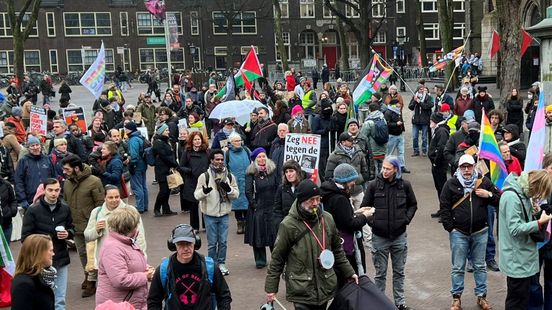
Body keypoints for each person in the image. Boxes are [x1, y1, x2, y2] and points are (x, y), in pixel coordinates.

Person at [265, 179, 359, 309]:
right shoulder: (288, 225)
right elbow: (277, 258)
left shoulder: (327, 219)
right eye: (311, 200)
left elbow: (337, 250)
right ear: (301, 200)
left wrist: (350, 273)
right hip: (301, 288)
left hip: (324, 284)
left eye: (317, 199)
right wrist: (271, 288)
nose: (315, 203)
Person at [439, 154, 500, 310]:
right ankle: (456, 298)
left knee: (480, 266)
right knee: (458, 267)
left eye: (469, 166)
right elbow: (444, 207)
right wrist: (450, 228)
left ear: (474, 167)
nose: (466, 170)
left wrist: (489, 194)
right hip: (459, 232)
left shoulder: (484, 182)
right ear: (459, 168)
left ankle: (482, 297)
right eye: (463, 167)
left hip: (480, 231)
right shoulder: (451, 184)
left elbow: (500, 199)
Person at [361, 156, 417, 310]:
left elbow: (413, 204)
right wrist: (374, 223)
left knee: (399, 272)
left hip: (399, 237)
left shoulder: (405, 185)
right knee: (380, 274)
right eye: (383, 168)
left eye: (388, 168)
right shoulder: (373, 186)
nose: (384, 171)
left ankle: (400, 303)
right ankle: (379, 304)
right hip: (379, 237)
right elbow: (364, 208)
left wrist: (405, 220)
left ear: (396, 170)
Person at [500, 170, 552, 309]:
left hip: (522, 258)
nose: (538, 196)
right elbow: (515, 229)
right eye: (540, 192)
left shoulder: (521, 193)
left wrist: (534, 212)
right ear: (535, 185)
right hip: (517, 259)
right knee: (516, 302)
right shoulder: (512, 196)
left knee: (522, 300)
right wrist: (539, 223)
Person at [147, 224, 232, 309]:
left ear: (196, 243)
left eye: (189, 243)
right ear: (173, 246)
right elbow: (154, 301)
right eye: (180, 244)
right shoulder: (164, 270)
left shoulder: (209, 267)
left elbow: (224, 295)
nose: (186, 248)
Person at [21, 178, 75, 310]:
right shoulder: (33, 210)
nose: (53, 193)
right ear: (44, 190)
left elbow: (72, 228)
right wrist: (41, 244)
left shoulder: (65, 208)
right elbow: (25, 238)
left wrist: (68, 233)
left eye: (56, 190)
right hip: (40, 262)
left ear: (60, 190)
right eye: (50, 190)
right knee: (43, 299)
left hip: (61, 258)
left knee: (60, 299)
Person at [321, 163, 374, 281]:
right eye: (352, 180)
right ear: (344, 181)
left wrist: (357, 212)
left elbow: (341, 217)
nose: (354, 183)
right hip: (346, 247)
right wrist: (365, 216)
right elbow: (349, 224)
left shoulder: (328, 193)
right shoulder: (340, 199)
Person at [61, 155, 105, 298]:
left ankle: (92, 282)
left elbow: (100, 205)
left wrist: (98, 225)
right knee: (82, 254)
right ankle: (88, 275)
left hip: (90, 226)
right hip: (76, 226)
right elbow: (66, 204)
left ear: (76, 168)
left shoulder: (94, 182)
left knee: (92, 254)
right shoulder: (67, 183)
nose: (64, 172)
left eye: (67, 169)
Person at [96, 207, 152, 309]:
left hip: (131, 303)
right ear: (130, 227)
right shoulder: (112, 248)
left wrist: (146, 268)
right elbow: (120, 280)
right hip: (117, 305)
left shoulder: (127, 242)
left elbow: (131, 262)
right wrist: (145, 276)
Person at [194, 149, 239, 276]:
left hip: (224, 214)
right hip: (209, 215)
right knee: (212, 243)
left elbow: (236, 194)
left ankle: (221, 264)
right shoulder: (205, 176)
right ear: (211, 160)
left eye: (221, 159)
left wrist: (229, 190)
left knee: (223, 242)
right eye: (217, 159)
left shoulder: (229, 176)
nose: (219, 162)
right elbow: (196, 195)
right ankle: (211, 265)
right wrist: (204, 192)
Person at [245, 148, 278, 269]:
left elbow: (278, 186)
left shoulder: (273, 170)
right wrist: (254, 204)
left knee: (273, 233)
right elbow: (248, 191)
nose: (262, 159)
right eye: (259, 157)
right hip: (258, 207)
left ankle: (276, 258)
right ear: (254, 159)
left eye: (263, 156)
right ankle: (260, 260)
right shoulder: (251, 173)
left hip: (272, 206)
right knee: (258, 234)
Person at [326, 132, 370, 209]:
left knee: (364, 213)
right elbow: (328, 176)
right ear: (343, 142)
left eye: (353, 140)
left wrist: (355, 181)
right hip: (343, 194)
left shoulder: (359, 152)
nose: (352, 142)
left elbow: (365, 171)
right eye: (350, 140)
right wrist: (344, 184)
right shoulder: (334, 156)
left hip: (358, 191)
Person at [11, 234, 55, 310]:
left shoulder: (38, 277)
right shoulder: (23, 285)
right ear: (39, 253)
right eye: (51, 250)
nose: (53, 254)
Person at [15, 136, 56, 210]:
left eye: (37, 145)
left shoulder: (47, 159)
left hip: (48, 196)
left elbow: (54, 177)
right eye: (32, 146)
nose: (35, 147)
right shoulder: (23, 161)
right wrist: (22, 199)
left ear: (40, 146)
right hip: (31, 198)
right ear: (28, 148)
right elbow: (18, 181)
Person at [180, 131, 210, 230]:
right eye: (195, 139)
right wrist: (190, 171)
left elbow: (211, 164)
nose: (197, 141)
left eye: (199, 139)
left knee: (205, 204)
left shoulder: (206, 151)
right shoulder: (187, 152)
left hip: (205, 181)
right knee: (193, 205)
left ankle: (206, 225)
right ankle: (195, 227)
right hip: (192, 182)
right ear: (191, 141)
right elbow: (181, 166)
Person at [225, 132, 251, 234]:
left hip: (246, 180)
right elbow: (225, 167)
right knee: (237, 204)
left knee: (247, 202)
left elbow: (253, 161)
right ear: (231, 142)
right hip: (234, 182)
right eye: (236, 141)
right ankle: (240, 223)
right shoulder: (227, 153)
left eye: (239, 140)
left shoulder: (246, 150)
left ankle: (247, 223)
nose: (238, 142)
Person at [152, 123, 178, 217]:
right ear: (161, 132)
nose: (168, 132)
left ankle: (166, 209)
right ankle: (157, 208)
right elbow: (164, 156)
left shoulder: (166, 141)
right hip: (161, 169)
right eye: (166, 130)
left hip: (167, 168)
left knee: (167, 190)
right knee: (163, 190)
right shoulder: (158, 142)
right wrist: (174, 164)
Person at [273, 160, 305, 234]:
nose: (288, 174)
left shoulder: (304, 186)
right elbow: (277, 209)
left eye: (291, 171)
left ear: (297, 172)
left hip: (302, 227)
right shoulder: (281, 188)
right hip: (286, 227)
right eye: (286, 172)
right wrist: (279, 225)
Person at [428, 112, 450, 217]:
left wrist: (436, 161)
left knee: (442, 188)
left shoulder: (442, 131)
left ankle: (445, 211)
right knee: (439, 187)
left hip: (440, 164)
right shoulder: (438, 130)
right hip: (436, 164)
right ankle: (442, 209)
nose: (430, 122)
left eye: (431, 120)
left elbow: (441, 147)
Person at [126, 121, 149, 213]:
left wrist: (131, 164)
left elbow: (134, 155)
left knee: (137, 186)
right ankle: (145, 205)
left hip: (137, 165)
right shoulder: (140, 137)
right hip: (143, 163)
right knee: (143, 185)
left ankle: (140, 207)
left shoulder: (133, 140)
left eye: (126, 129)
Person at [408, 86, 434, 157]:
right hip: (416, 120)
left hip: (425, 120)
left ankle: (424, 150)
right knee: (415, 137)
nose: (422, 90)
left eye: (423, 89)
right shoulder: (415, 96)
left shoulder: (428, 97)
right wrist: (414, 101)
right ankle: (416, 150)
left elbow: (427, 106)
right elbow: (410, 107)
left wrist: (420, 102)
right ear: (418, 90)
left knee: (424, 137)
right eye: (420, 89)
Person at [0, 176, 17, 242]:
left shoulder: (7, 184)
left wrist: (12, 211)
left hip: (6, 225)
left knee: (5, 250)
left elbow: (13, 200)